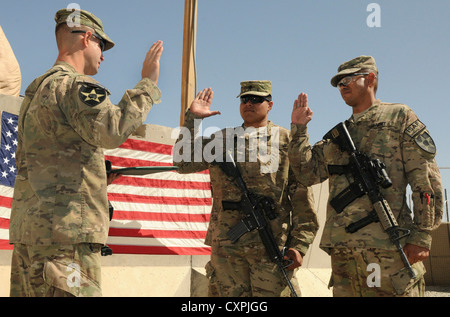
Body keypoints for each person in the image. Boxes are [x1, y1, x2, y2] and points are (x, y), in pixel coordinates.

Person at [9, 8, 163, 297]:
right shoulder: (75, 85)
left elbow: (36, 162)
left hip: (30, 236)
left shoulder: (34, 93)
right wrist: (148, 85)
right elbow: (112, 130)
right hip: (66, 241)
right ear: (86, 38)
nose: (102, 55)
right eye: (101, 45)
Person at [288, 56, 443, 297]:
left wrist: (422, 234)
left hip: (390, 247)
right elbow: (307, 173)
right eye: (339, 83)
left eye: (349, 79)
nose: (343, 86)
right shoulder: (340, 135)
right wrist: (299, 130)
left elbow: (426, 180)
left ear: (370, 78)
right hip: (344, 251)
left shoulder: (399, 116)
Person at [173, 81, 318, 297]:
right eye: (244, 99)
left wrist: (300, 245)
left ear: (270, 105)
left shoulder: (286, 140)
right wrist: (193, 120)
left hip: (271, 246)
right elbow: (183, 163)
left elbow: (301, 198)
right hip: (227, 248)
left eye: (256, 99)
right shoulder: (221, 139)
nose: (249, 103)